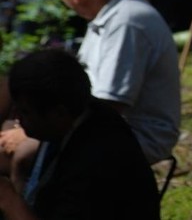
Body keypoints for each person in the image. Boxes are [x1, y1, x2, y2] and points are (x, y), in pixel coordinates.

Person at [51, 0, 181, 164]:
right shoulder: (112, 14)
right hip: (109, 127)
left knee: (22, 152)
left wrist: (41, 130)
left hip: (134, 136)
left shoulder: (126, 22)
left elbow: (110, 106)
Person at [0, 49, 160, 220]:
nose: (17, 116)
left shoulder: (95, 163)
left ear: (58, 113)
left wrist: (9, 199)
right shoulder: (81, 112)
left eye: (25, 112)